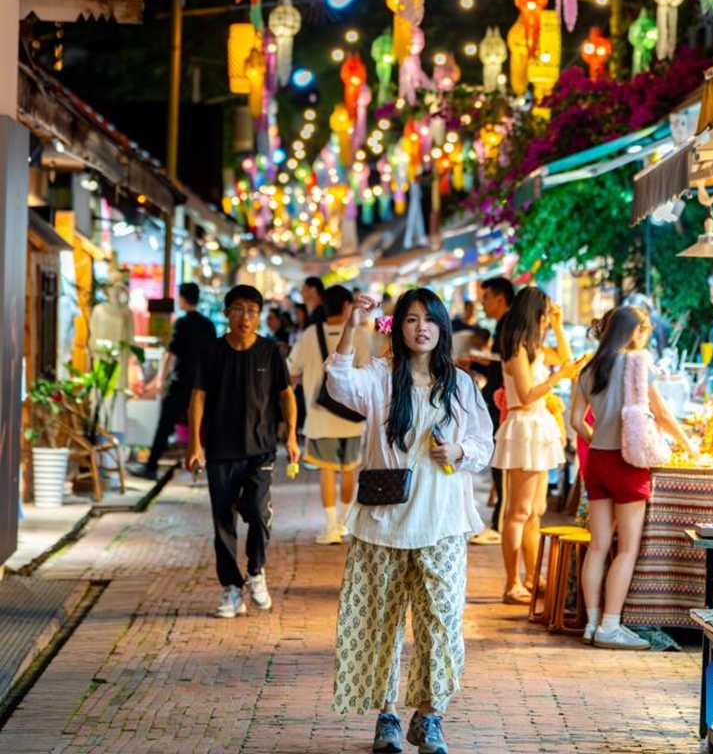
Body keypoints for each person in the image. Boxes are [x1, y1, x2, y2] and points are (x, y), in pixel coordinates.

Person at [326, 288, 493, 754]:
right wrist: (353, 325)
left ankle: (430, 715)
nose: (421, 327)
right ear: (398, 328)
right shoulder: (381, 377)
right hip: (384, 522)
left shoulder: (459, 385)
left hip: (442, 522)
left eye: (430, 320)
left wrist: (459, 451)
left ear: (441, 329)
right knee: (382, 623)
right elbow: (338, 382)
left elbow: (484, 443)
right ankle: (387, 716)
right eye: (411, 319)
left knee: (441, 622)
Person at [570, 305, 696, 650]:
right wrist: (688, 444)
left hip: (597, 460)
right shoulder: (637, 364)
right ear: (634, 331)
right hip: (628, 461)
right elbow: (662, 412)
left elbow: (575, 421)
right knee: (627, 548)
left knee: (598, 546)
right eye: (645, 329)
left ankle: (592, 624)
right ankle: (611, 626)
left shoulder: (588, 368)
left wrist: (597, 437)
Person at [185, 285, 299, 619]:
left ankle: (256, 571)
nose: (245, 316)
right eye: (238, 309)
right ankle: (231, 590)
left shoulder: (270, 351)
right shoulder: (212, 351)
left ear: (259, 315)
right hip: (221, 451)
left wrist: (290, 437)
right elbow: (198, 396)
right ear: (226, 313)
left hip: (261, 450)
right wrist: (195, 442)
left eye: (251, 310)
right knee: (223, 522)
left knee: (259, 515)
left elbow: (286, 394)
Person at [492, 286, 578, 604]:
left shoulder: (535, 347)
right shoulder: (516, 349)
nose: (545, 321)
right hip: (523, 424)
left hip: (538, 425)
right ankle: (512, 582)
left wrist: (558, 324)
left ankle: (531, 576)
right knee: (519, 511)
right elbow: (527, 394)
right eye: (544, 316)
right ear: (533, 315)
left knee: (536, 511)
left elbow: (567, 359)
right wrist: (559, 378)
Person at [287, 284, 371, 544]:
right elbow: (368, 373)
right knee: (349, 470)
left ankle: (330, 526)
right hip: (353, 419)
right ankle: (344, 523)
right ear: (347, 306)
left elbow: (291, 371)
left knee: (326, 471)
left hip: (319, 417)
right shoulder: (359, 336)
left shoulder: (310, 334)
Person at [131, 283, 216, 480]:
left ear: (183, 299)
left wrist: (160, 380)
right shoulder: (208, 325)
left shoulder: (182, 323)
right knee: (207, 424)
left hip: (182, 381)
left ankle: (151, 466)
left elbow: (172, 354)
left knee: (166, 423)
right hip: (203, 384)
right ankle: (216, 465)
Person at [469, 276, 515, 546]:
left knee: (501, 465)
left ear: (500, 298)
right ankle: (498, 520)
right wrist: (480, 364)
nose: (482, 304)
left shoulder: (509, 325)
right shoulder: (502, 326)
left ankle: (500, 523)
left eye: (485, 298)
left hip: (503, 403)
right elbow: (500, 367)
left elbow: (508, 367)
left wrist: (484, 363)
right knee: (498, 463)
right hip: (498, 399)